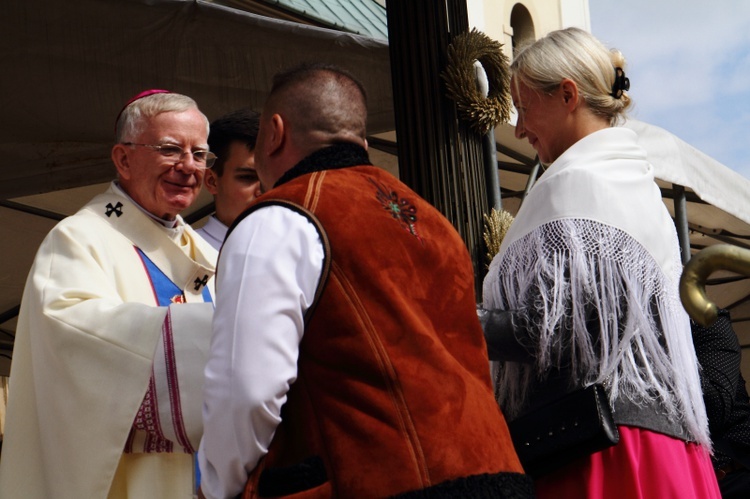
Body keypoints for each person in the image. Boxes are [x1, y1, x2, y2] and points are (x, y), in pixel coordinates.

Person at [198, 63, 533, 499]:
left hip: (386, 483)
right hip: (496, 471)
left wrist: (215, 485)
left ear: (274, 132)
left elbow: (246, 390)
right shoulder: (433, 221)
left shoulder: (280, 218)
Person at [480, 28, 720, 498]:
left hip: (603, 448)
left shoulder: (583, 183)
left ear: (567, 94)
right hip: (649, 442)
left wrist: (452, 321)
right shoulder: (631, 180)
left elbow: (553, 329)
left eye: (524, 108)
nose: (518, 129)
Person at [0, 90, 219, 499]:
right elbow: (72, 347)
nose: (189, 167)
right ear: (123, 159)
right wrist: (207, 336)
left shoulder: (206, 254)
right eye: (170, 149)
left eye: (200, 153)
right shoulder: (79, 239)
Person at [692, 309, 750, 498]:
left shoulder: (706, 321)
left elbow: (714, 409)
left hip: (735, 476)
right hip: (690, 483)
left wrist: (663, 351)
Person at [195, 108, 262, 250]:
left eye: (273, 178)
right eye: (247, 177)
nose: (264, 190)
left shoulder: (303, 253)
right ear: (211, 181)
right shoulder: (184, 257)